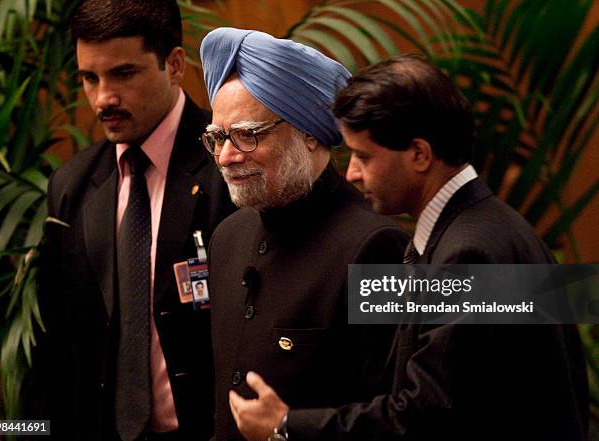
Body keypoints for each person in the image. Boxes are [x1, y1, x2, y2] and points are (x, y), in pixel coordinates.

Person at [229, 55, 589, 441]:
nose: (351, 172)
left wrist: (284, 426)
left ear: (419, 154)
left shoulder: (469, 253)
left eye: (364, 156)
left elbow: (427, 416)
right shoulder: (489, 227)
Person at [31, 1, 235, 440]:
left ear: (175, 65)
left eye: (123, 74)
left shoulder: (231, 165)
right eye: (89, 78)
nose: (103, 98)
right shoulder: (71, 186)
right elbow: (56, 345)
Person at [199, 28, 408, 441]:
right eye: (218, 137)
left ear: (308, 133)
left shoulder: (374, 245)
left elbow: (391, 417)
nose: (225, 157)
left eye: (247, 135)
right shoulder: (227, 237)